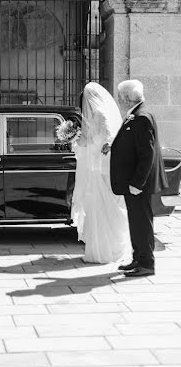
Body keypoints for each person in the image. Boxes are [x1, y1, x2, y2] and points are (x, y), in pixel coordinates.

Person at [110, 79, 168, 277]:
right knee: (136, 222)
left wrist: (137, 183)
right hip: (134, 182)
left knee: (141, 223)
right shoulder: (137, 114)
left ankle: (146, 264)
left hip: (138, 183)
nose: (118, 101)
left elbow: (147, 154)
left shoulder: (141, 116)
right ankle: (138, 258)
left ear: (127, 98)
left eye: (119, 97)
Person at [71, 82, 131, 263]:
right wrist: (75, 139)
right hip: (95, 167)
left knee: (103, 207)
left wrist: (94, 146)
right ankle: (99, 250)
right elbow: (88, 141)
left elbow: (108, 139)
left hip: (102, 168)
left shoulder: (100, 115)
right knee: (97, 208)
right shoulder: (93, 116)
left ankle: (105, 251)